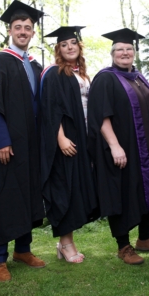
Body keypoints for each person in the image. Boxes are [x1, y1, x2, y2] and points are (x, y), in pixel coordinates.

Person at [87, 28, 149, 265]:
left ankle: (144, 238)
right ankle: (123, 246)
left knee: (146, 193)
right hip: (123, 150)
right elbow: (101, 115)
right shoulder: (105, 78)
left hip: (147, 149)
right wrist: (114, 145)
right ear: (113, 53)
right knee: (121, 195)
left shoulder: (139, 77)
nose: (125, 53)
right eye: (120, 49)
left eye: (129, 49)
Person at [0, 0, 46, 282]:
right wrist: (1, 140)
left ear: (33, 33)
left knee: (28, 194)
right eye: (18, 27)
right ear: (9, 30)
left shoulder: (35, 65)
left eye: (27, 28)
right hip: (8, 144)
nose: (23, 32)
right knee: (4, 197)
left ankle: (23, 250)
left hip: (31, 143)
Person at [40, 26, 99, 264]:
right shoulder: (54, 73)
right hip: (66, 141)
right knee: (66, 191)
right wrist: (61, 138)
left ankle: (65, 243)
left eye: (73, 43)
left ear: (79, 46)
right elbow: (50, 108)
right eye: (64, 45)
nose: (69, 47)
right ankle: (66, 244)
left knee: (77, 192)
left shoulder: (82, 74)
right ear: (58, 50)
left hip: (82, 140)